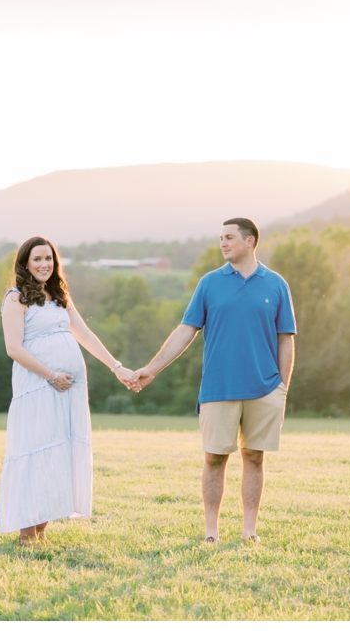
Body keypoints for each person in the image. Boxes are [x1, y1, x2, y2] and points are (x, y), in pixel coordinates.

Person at [133, 217, 295, 543]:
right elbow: (185, 331)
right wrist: (152, 368)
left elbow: (286, 339)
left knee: (254, 457)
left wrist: (282, 387)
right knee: (214, 458)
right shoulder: (209, 283)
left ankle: (249, 530)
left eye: (229, 237)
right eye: (220, 238)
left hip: (265, 388)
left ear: (250, 242)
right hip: (219, 387)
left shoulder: (276, 284)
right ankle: (211, 531)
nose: (223, 243)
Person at [0, 235, 140, 542]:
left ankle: (42, 530)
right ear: (25, 263)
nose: (44, 264)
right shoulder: (15, 298)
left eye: (49, 258)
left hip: (69, 390)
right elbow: (14, 348)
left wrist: (117, 368)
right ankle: (26, 533)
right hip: (38, 386)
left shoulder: (60, 296)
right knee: (35, 450)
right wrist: (51, 375)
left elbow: (85, 336)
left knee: (58, 451)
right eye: (37, 259)